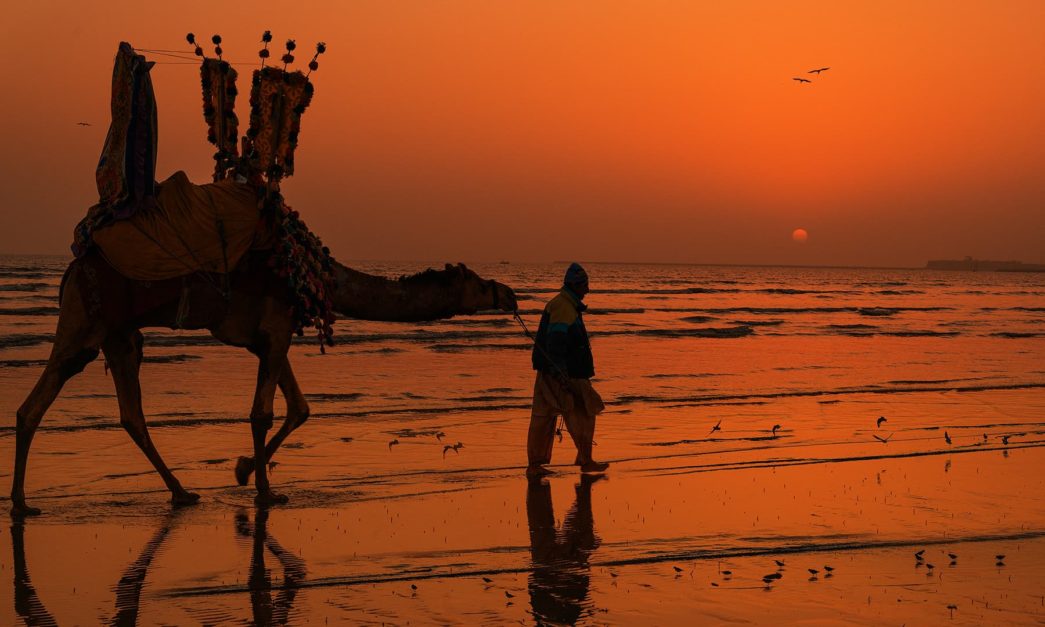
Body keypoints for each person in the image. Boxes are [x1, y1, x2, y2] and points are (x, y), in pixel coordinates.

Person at [527, 263, 609, 477]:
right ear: (575, 285)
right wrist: (561, 373)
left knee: (544, 416)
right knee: (583, 413)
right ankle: (583, 459)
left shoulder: (565, 304)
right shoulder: (563, 307)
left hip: (556, 371)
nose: (588, 290)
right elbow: (556, 343)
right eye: (585, 285)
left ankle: (538, 465)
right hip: (565, 374)